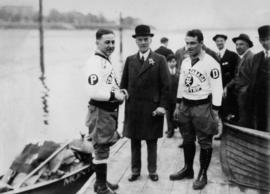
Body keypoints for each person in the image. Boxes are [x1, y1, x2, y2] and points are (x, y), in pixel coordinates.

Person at [169, 29, 223, 190]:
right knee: (187, 139)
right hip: (186, 105)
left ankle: (203, 174)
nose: (189, 46)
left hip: (202, 106)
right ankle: (188, 169)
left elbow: (218, 89)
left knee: (205, 141)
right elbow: (181, 84)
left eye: (193, 43)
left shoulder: (211, 63)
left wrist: (215, 111)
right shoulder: (185, 61)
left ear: (201, 43)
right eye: (187, 43)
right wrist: (178, 105)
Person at [120, 24, 170, 182]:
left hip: (152, 108)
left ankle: (152, 170)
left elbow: (166, 86)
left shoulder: (160, 60)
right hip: (134, 108)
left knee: (151, 141)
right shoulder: (130, 60)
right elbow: (123, 85)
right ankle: (135, 171)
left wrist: (162, 106)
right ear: (136, 41)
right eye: (140, 40)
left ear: (150, 40)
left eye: (146, 39)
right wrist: (122, 94)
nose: (143, 42)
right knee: (134, 141)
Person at [84, 29, 128, 194]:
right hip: (100, 111)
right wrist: (113, 95)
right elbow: (93, 92)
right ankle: (101, 187)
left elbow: (107, 84)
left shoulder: (105, 60)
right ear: (97, 42)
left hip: (108, 111)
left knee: (104, 146)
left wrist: (120, 91)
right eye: (106, 42)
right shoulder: (94, 62)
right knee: (101, 147)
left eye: (112, 42)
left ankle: (99, 181)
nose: (111, 46)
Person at [212, 34, 239, 139]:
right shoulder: (214, 56)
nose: (219, 43)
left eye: (221, 41)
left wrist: (228, 87)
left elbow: (236, 74)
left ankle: (230, 136)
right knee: (220, 112)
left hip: (229, 91)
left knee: (230, 113)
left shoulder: (232, 55)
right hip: (217, 91)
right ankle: (222, 133)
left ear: (225, 41)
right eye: (217, 41)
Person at [225, 33, 254, 126]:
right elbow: (237, 77)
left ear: (248, 45)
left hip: (245, 94)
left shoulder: (251, 57)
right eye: (236, 44)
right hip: (239, 92)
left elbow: (252, 78)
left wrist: (244, 90)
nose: (238, 47)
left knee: (244, 121)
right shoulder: (241, 58)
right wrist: (226, 87)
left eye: (241, 44)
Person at [246, 25, 270, 131]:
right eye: (262, 40)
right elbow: (252, 79)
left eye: (268, 39)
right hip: (259, 99)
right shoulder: (257, 57)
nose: (265, 43)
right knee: (261, 126)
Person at [166, 54, 178, 138]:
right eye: (170, 62)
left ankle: (175, 127)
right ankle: (170, 130)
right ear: (167, 63)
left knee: (177, 115)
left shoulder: (179, 72)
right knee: (168, 114)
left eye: (174, 61)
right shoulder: (165, 72)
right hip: (168, 97)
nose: (172, 63)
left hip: (177, 97)